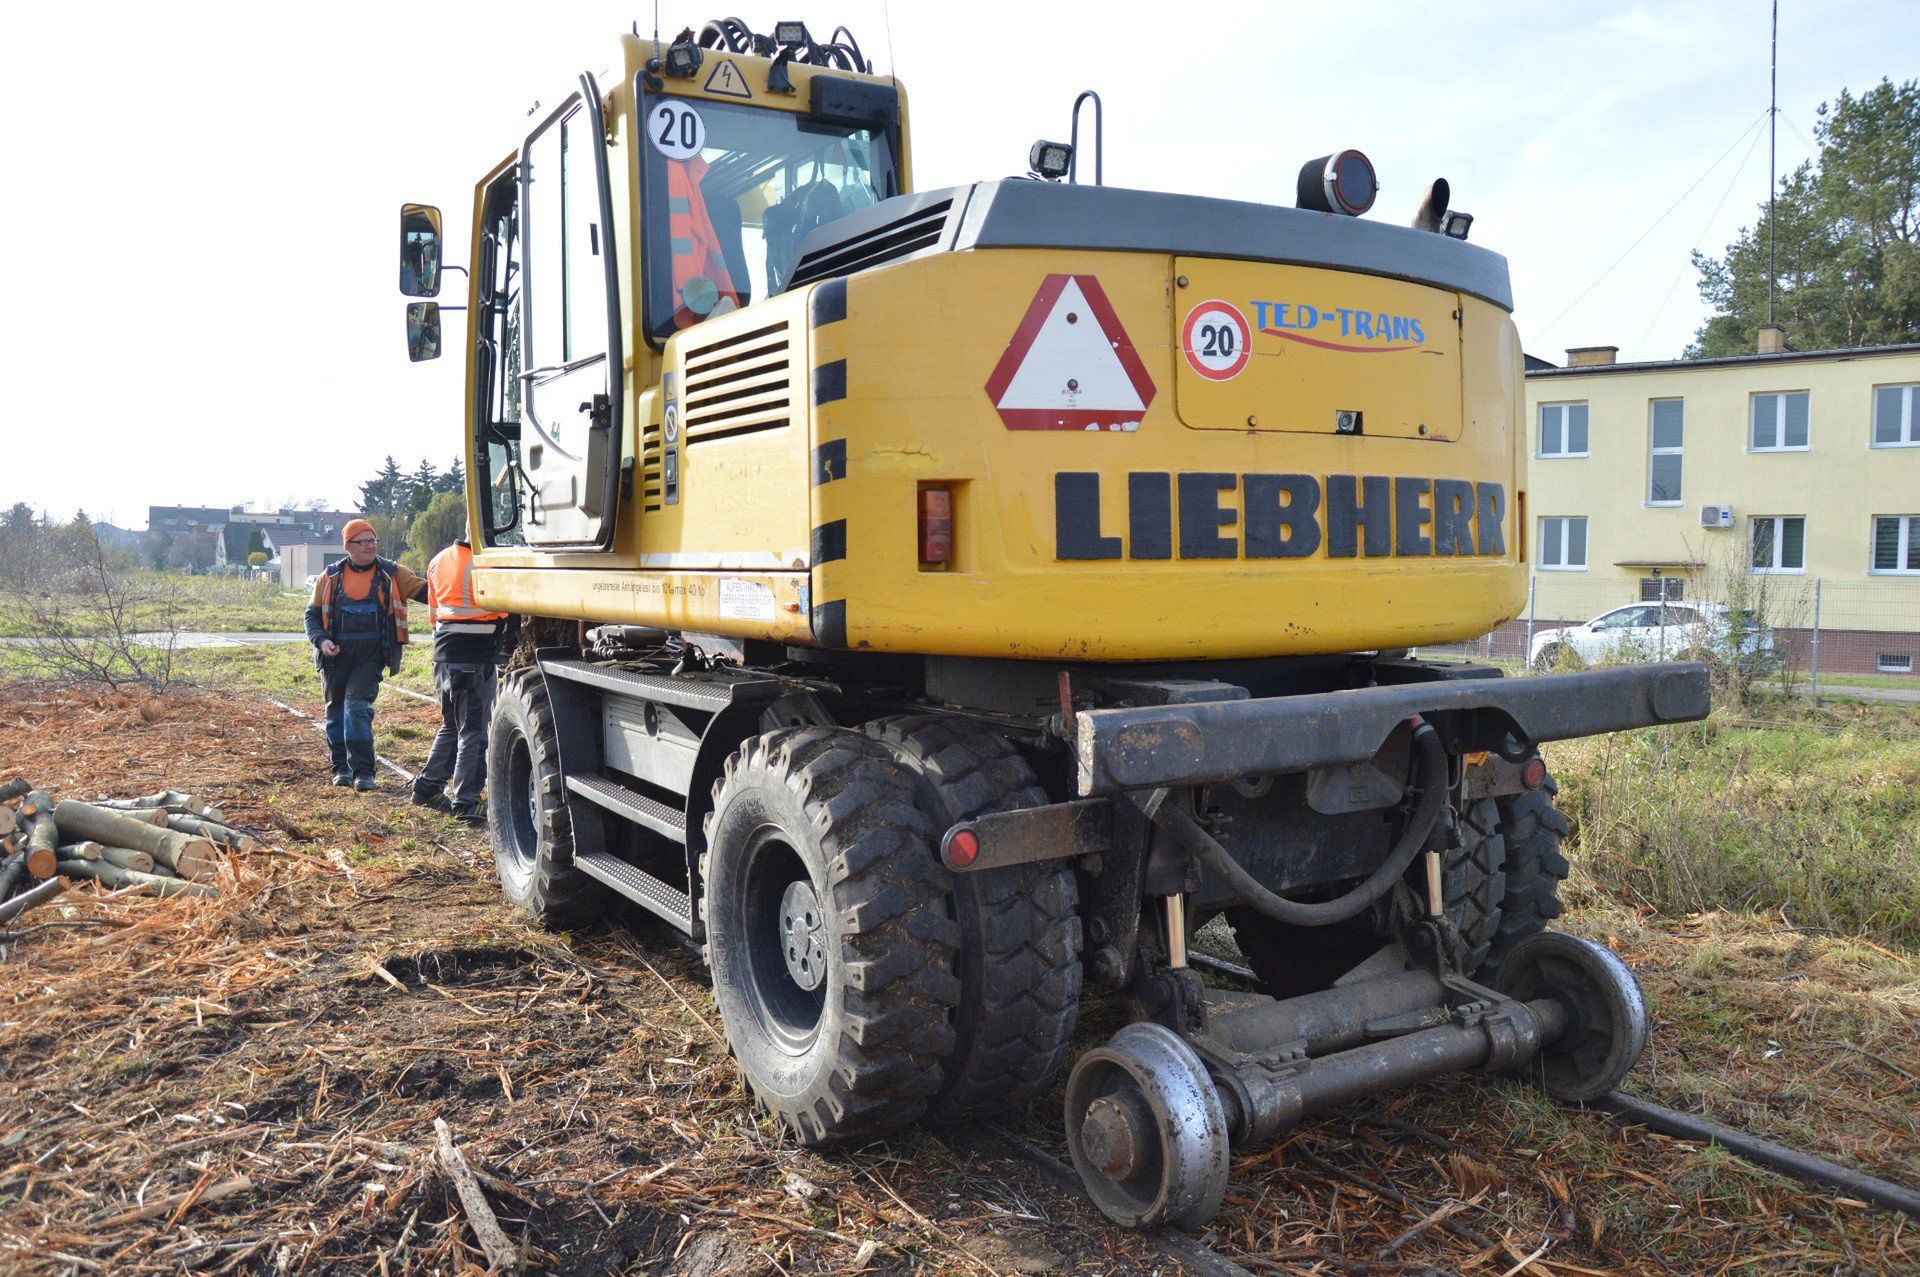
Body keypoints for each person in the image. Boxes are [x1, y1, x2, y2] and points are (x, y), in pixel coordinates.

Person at [305, 519, 428, 790]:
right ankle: (341, 769)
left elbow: (428, 592)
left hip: (370, 658)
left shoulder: (391, 573)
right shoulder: (330, 577)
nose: (371, 546)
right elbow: (311, 616)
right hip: (334, 658)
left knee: (356, 709)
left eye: (373, 541)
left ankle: (363, 773)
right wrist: (322, 641)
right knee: (336, 712)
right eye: (363, 542)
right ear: (348, 546)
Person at [412, 536, 509, 819]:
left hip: (444, 655)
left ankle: (427, 787)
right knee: (473, 731)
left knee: (452, 724)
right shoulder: (485, 562)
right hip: (474, 656)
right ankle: (466, 801)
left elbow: (433, 615)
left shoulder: (437, 560)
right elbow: (505, 607)